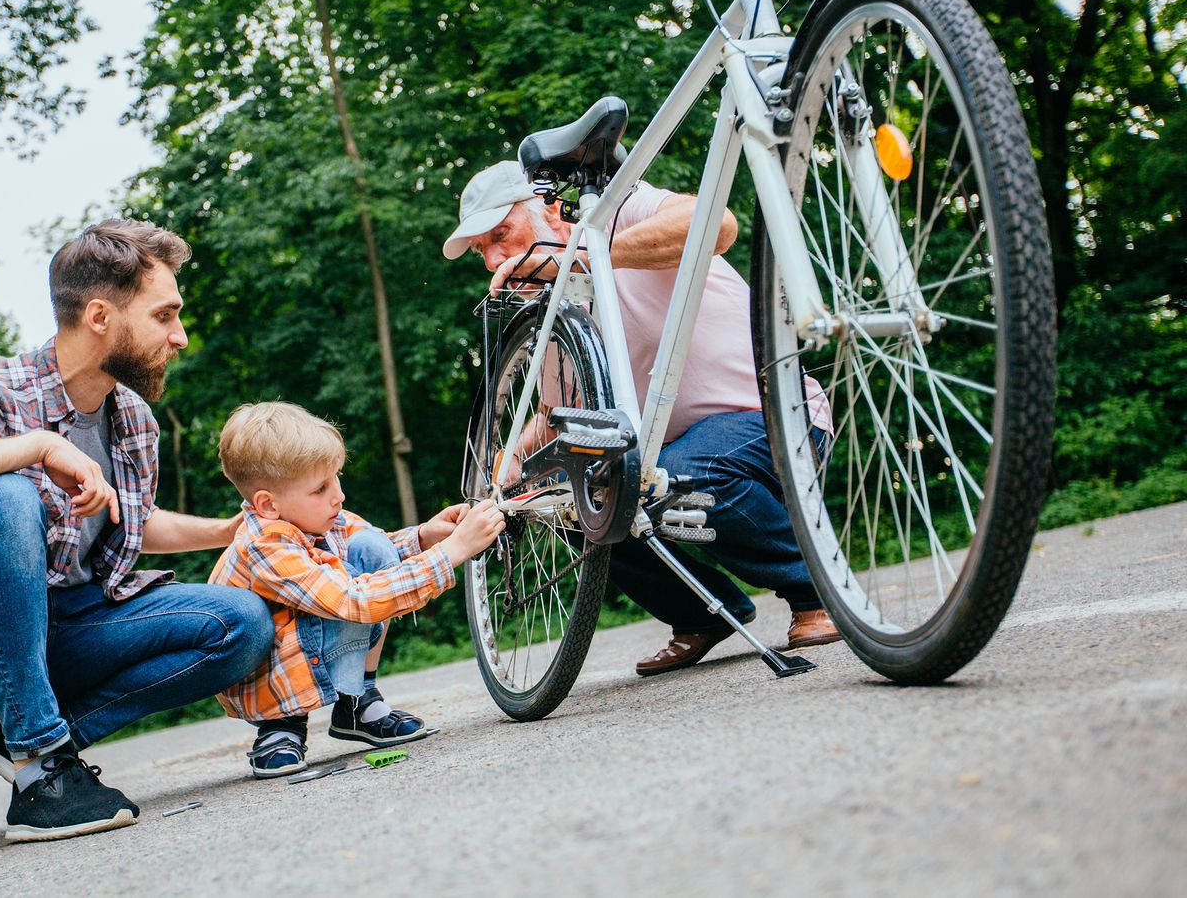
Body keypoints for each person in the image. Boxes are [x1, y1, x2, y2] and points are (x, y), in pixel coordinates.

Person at [0, 219, 275, 843]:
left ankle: (31, 742)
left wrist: (228, 529)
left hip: (56, 639)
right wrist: (34, 446)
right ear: (101, 316)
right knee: (5, 493)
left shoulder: (132, 418)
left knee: (241, 624)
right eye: (165, 316)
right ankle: (44, 776)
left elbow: (131, 524)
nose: (180, 336)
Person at [443, 161, 840, 677]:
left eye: (502, 234)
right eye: (482, 250)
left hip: (775, 419)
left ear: (546, 210)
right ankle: (697, 616)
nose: (496, 257)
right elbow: (555, 417)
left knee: (677, 469)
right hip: (678, 455)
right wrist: (511, 463)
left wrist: (581, 258)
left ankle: (817, 590)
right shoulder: (555, 319)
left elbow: (716, 224)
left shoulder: (615, 213)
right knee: (565, 496)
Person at [209, 401, 505, 778]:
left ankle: (355, 702)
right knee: (351, 598)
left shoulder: (321, 518)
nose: (339, 495)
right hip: (269, 678)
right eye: (320, 488)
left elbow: (377, 553)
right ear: (268, 504)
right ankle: (281, 726)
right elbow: (354, 599)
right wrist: (454, 551)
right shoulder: (264, 545)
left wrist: (426, 537)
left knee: (373, 547)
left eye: (336, 478)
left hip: (312, 644)